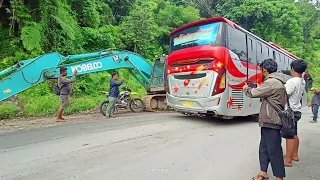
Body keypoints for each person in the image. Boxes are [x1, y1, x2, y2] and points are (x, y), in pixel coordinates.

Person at [243, 59, 286, 180]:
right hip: (269, 120)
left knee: (274, 150)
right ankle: (263, 172)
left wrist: (246, 88)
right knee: (264, 148)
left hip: (271, 120)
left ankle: (279, 177)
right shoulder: (277, 82)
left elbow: (253, 93)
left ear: (265, 70)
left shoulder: (271, 83)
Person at [283, 59, 307, 167]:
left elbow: (284, 95)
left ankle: (288, 160)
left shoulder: (292, 81)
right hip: (297, 110)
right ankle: (294, 155)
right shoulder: (302, 81)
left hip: (290, 111)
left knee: (289, 136)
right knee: (294, 133)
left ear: (292, 69)